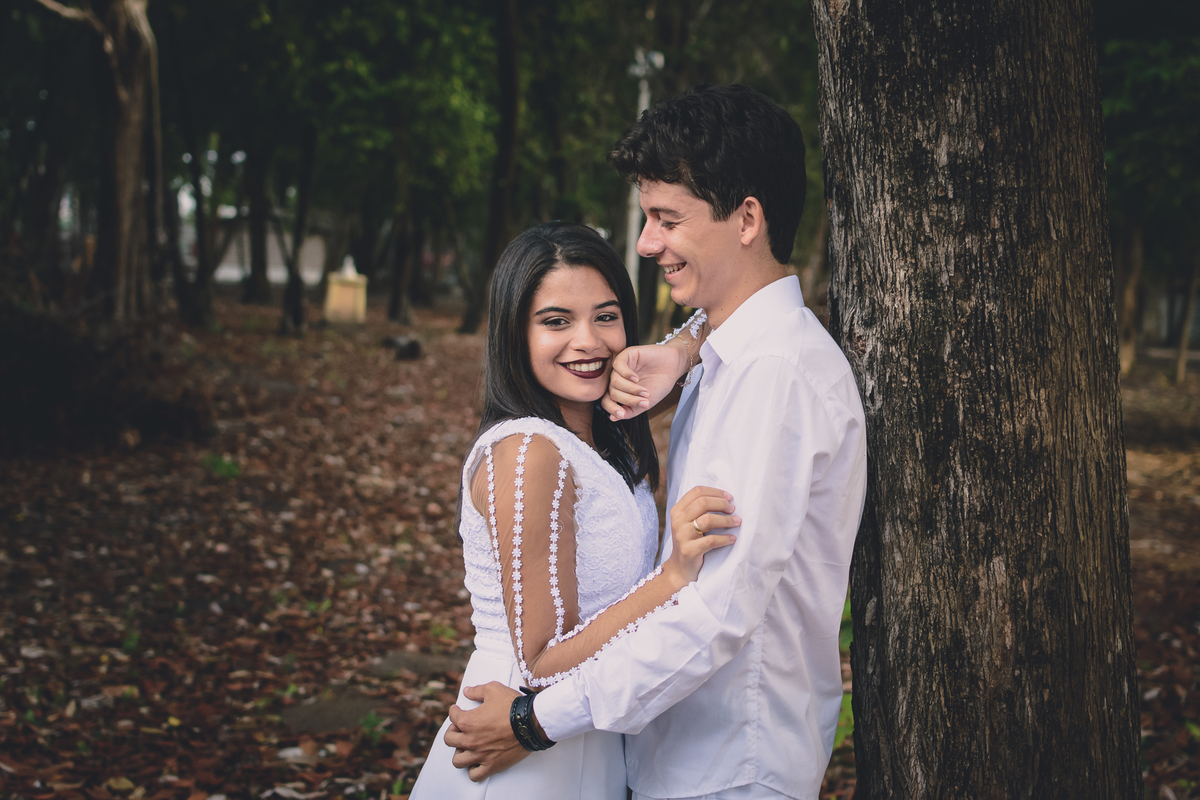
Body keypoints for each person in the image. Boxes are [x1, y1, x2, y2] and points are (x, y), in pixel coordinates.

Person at [445, 84, 868, 800]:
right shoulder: (730, 356)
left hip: (730, 764)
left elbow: (715, 608)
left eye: (667, 220)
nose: (646, 245)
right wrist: (685, 345)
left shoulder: (774, 378)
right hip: (673, 755)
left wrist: (533, 721)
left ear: (747, 219)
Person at [409, 221, 739, 799]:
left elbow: (731, 313)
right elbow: (539, 662)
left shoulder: (596, 432)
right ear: (515, 333)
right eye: (556, 321)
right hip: (520, 742)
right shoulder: (529, 452)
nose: (587, 341)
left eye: (606, 317)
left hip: (584, 732)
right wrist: (672, 578)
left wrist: (676, 351)